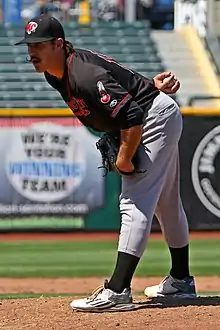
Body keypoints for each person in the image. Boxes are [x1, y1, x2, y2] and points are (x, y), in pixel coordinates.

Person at [15, 14, 196, 312]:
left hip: (151, 120)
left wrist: (124, 158)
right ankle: (180, 280)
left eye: (38, 45)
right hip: (153, 111)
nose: (31, 51)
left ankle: (117, 290)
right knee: (166, 203)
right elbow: (118, 89)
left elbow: (132, 116)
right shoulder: (55, 73)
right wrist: (149, 85)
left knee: (134, 201)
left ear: (58, 44)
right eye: (29, 45)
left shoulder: (83, 74)